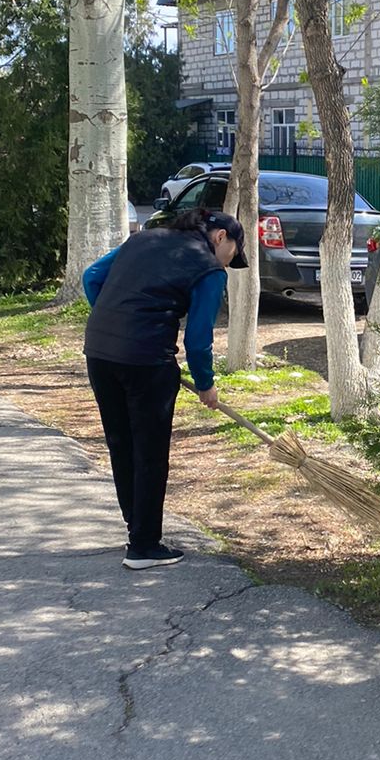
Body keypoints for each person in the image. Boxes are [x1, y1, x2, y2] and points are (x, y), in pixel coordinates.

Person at [82, 206, 246, 569]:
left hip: (100, 353)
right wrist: (206, 384)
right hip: (146, 362)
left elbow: (91, 277)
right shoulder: (209, 269)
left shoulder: (142, 239)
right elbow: (198, 339)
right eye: (233, 254)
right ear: (221, 237)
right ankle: (144, 546)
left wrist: (119, 323)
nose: (229, 262)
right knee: (149, 452)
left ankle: (137, 530)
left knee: (122, 445)